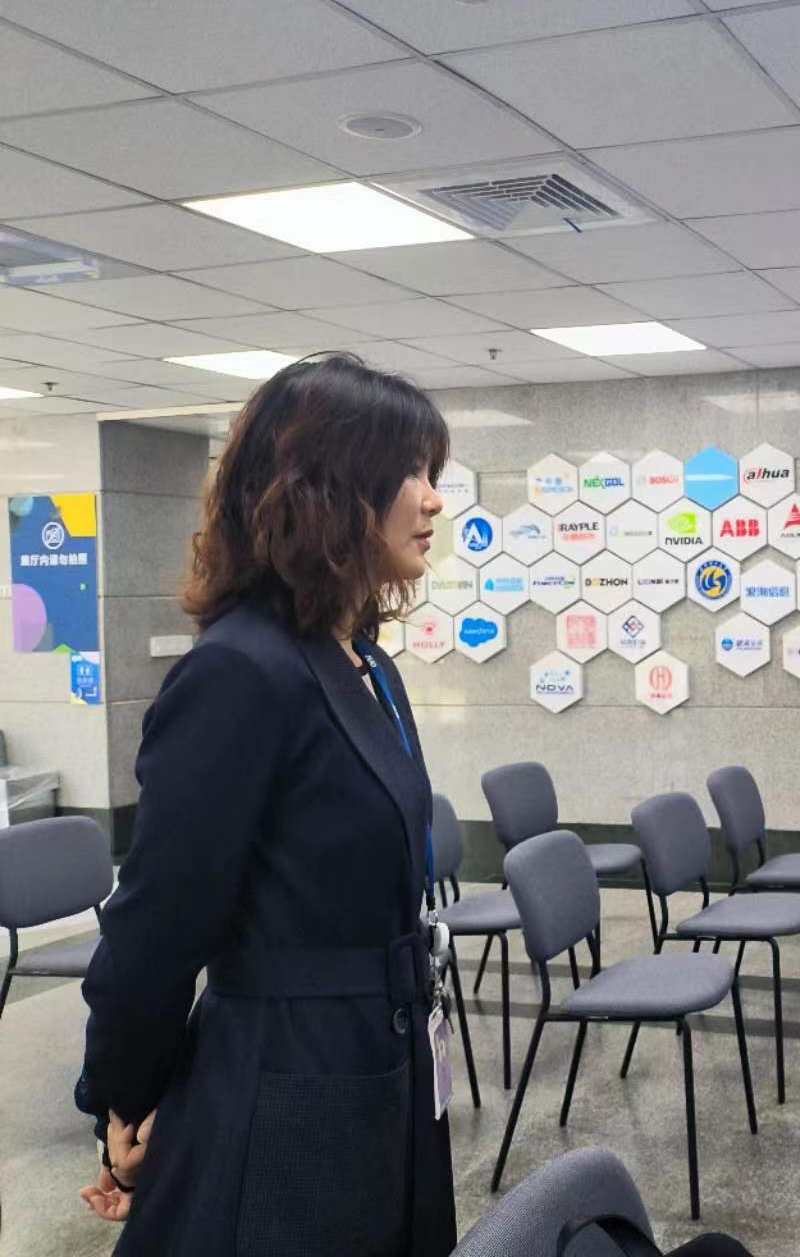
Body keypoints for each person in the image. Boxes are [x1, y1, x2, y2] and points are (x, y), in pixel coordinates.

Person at [75, 353, 458, 1255]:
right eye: (409, 472)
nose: (434, 500)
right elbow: (159, 923)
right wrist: (127, 1099)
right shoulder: (240, 671)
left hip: (382, 1058)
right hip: (291, 1085)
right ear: (328, 492)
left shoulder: (361, 660)